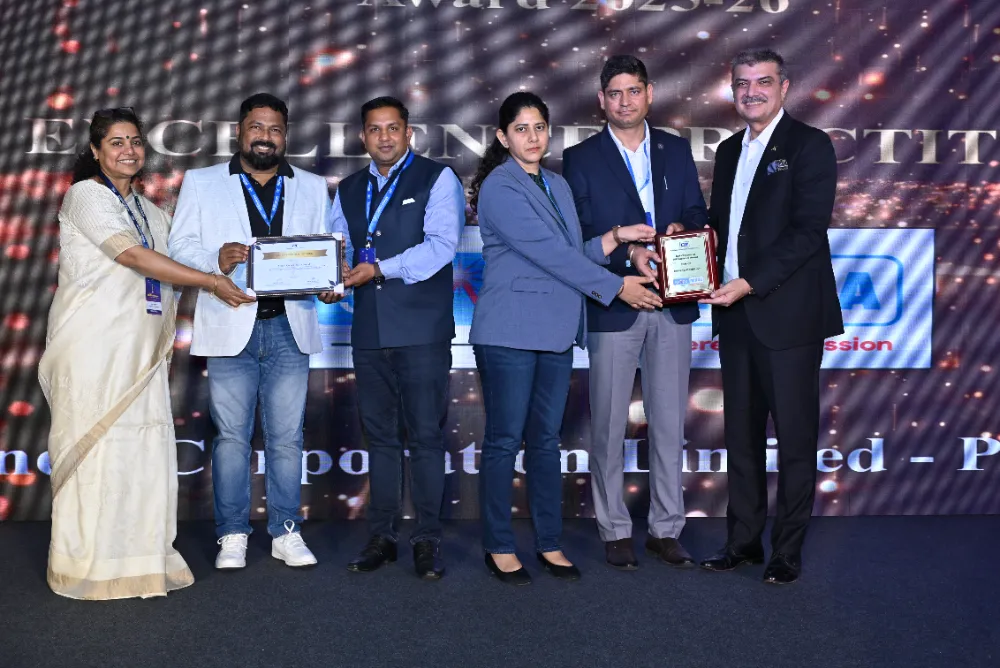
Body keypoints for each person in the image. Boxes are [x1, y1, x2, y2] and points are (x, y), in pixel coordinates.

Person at [38, 107, 252, 600]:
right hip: (93, 347)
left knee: (140, 453)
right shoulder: (86, 195)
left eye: (135, 141)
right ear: (96, 150)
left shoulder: (151, 210)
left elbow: (177, 257)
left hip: (141, 351)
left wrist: (217, 261)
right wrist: (210, 282)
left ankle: (138, 561)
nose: (129, 150)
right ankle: (86, 566)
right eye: (116, 142)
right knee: (96, 455)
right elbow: (132, 256)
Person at [470, 91, 662, 586]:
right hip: (509, 331)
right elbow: (548, 254)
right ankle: (499, 546)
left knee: (545, 442)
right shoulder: (499, 186)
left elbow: (572, 250)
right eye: (521, 129)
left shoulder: (556, 183)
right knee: (504, 440)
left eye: (539, 127)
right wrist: (617, 287)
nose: (532, 137)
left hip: (555, 332)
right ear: (503, 137)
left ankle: (549, 542)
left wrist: (616, 238)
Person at [168, 93, 338, 570]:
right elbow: (179, 246)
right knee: (231, 438)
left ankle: (286, 531)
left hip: (290, 326)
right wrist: (214, 260)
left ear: (286, 136)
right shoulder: (202, 182)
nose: (266, 137)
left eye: (275, 129)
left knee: (287, 438)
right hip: (230, 325)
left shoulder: (310, 186)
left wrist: (329, 283)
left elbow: (324, 252)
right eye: (257, 128)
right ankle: (232, 534)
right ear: (240, 132)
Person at [698, 48, 843, 585]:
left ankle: (786, 552)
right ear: (732, 90)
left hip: (788, 317)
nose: (751, 91)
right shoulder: (729, 150)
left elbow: (807, 231)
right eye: (742, 83)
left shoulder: (810, 145)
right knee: (741, 438)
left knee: (796, 441)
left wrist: (749, 282)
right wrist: (687, 249)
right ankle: (742, 543)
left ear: (784, 87)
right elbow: (720, 226)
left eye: (762, 81)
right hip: (735, 315)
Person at [562, 55, 707, 571]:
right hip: (615, 301)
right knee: (607, 425)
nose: (625, 101)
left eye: (634, 90)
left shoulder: (675, 149)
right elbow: (578, 236)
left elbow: (696, 212)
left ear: (650, 93)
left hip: (672, 301)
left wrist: (680, 234)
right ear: (601, 100)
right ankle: (614, 529)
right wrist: (627, 255)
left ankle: (667, 529)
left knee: (668, 423)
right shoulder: (580, 158)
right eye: (615, 93)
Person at [329, 96, 464, 580]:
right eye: (374, 129)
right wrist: (330, 279)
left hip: (422, 330)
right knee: (381, 438)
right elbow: (337, 248)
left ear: (409, 133)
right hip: (368, 330)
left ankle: (427, 538)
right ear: (362, 137)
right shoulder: (348, 189)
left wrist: (379, 269)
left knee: (425, 436)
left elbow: (442, 246)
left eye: (393, 128)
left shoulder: (437, 178)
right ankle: (382, 536)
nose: (384, 137)